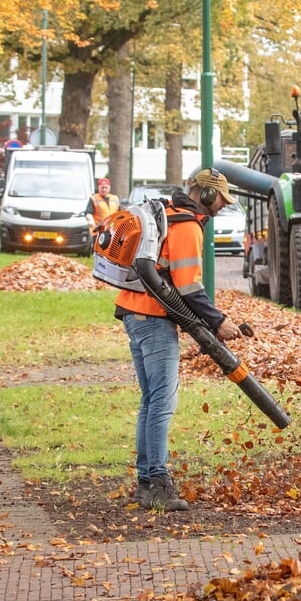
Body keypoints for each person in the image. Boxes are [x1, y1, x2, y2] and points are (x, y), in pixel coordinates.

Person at [112, 167, 242, 512]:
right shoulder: (186, 225)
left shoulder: (167, 214)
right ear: (208, 195)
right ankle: (156, 481)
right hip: (153, 318)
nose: (220, 210)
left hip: (134, 312)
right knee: (161, 402)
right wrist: (219, 322)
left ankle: (146, 482)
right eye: (220, 202)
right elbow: (189, 287)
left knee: (151, 400)